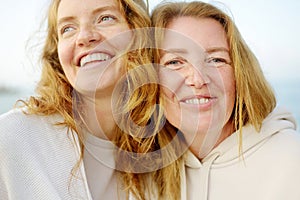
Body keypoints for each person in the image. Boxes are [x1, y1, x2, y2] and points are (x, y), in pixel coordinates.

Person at [0, 0, 178, 199]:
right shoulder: (12, 138)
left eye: (105, 18)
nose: (84, 37)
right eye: (68, 28)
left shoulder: (163, 147)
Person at [151, 1, 300, 200]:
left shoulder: (290, 158)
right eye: (175, 62)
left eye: (216, 60)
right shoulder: (145, 173)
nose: (198, 79)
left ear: (240, 74)